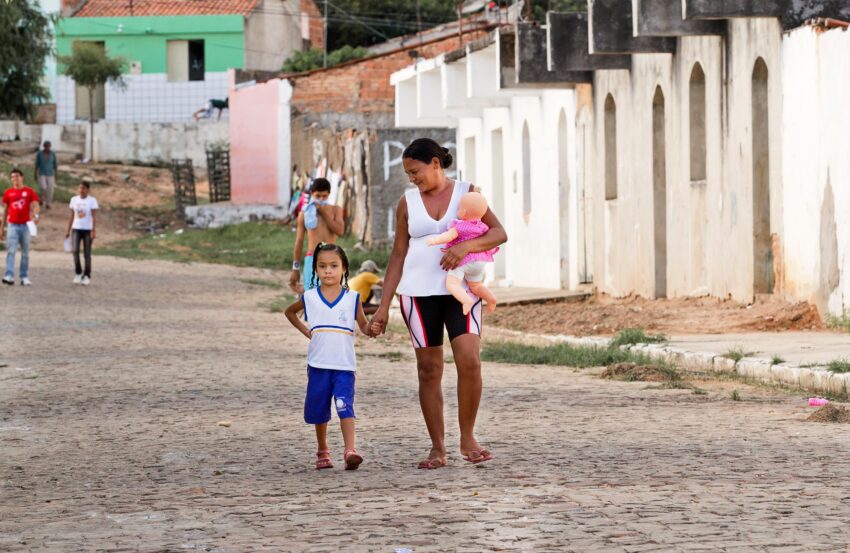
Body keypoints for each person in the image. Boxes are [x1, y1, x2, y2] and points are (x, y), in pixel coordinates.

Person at [370, 138, 507, 469]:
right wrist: (382, 306)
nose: (412, 178)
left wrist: (465, 247)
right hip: (416, 295)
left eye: (415, 171)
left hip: (461, 291)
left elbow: (498, 232)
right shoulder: (407, 202)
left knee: (469, 360)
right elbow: (398, 254)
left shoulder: (467, 192)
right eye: (407, 174)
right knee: (428, 369)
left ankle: (468, 437)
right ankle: (437, 447)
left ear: (435, 163)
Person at [284, 243, 373, 470]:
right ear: (315, 270)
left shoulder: (352, 298)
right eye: (322, 266)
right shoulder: (310, 297)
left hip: (344, 365)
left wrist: (373, 328)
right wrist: (307, 332)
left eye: (334, 266)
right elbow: (290, 312)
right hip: (318, 364)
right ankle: (323, 449)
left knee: (345, 405)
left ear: (344, 268)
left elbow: (363, 325)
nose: (328, 271)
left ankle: (350, 450)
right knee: (320, 409)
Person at [289, 178, 344, 294]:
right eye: (317, 196)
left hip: (332, 259)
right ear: (312, 194)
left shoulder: (336, 210)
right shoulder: (304, 214)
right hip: (312, 259)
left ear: (329, 195)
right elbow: (299, 241)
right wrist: (295, 268)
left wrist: (324, 213)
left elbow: (340, 231)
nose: (320, 199)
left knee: (332, 296)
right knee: (312, 297)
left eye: (324, 196)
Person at [1, 168, 41, 286]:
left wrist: (36, 214)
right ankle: (9, 275)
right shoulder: (8, 193)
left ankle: (24, 277)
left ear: (22, 177)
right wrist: (2, 227)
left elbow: (35, 205)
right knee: (11, 251)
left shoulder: (29, 191)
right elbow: (5, 211)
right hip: (12, 225)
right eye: (13, 177)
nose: (15, 179)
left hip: (25, 225)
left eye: (17, 176)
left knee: (25, 253)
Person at [65, 181, 99, 286]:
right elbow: (71, 215)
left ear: (87, 190)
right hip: (76, 228)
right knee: (75, 251)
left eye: (84, 188)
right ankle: (78, 273)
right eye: (80, 188)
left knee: (87, 253)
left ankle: (87, 275)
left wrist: (93, 230)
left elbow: (93, 216)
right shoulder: (74, 199)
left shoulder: (92, 201)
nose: (81, 190)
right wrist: (68, 230)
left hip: (87, 230)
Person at [34, 140, 58, 210]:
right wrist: (35, 174)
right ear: (44, 146)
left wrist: (56, 174)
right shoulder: (40, 154)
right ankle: (41, 199)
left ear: (50, 146)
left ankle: (48, 203)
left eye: (49, 146)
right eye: (46, 146)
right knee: (43, 188)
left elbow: (55, 165)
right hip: (42, 173)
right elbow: (36, 165)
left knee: (50, 189)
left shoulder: (53, 154)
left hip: (51, 174)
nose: (48, 147)